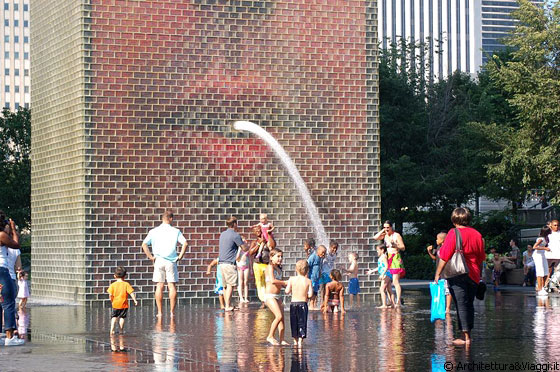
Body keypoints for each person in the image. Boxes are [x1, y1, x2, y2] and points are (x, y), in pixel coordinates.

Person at [434, 207, 485, 346]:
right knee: (469, 304)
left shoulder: (453, 232)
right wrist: (480, 276)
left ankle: (465, 338)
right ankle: (468, 334)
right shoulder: (477, 234)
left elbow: (444, 255)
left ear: (454, 219)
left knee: (461, 304)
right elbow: (481, 257)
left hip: (457, 273)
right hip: (473, 273)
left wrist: (438, 273)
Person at [142, 211, 188, 317]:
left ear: (162, 218)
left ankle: (160, 312)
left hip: (158, 260)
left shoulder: (154, 231)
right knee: (171, 286)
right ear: (171, 219)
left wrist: (150, 257)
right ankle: (172, 312)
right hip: (171, 261)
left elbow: (144, 244)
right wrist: (180, 256)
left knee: (159, 285)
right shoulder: (176, 231)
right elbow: (185, 243)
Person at [0, 213, 24, 346]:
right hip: (2, 272)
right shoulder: (1, 235)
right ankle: (10, 337)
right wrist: (14, 229)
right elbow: (16, 245)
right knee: (8, 303)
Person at [218, 216, 247, 312]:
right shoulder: (235, 235)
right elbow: (244, 248)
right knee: (231, 285)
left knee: (225, 286)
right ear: (234, 224)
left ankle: (228, 305)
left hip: (221, 263)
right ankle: (227, 306)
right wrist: (245, 243)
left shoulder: (222, 234)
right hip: (230, 264)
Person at [374, 221, 405, 307]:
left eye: (388, 227)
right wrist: (382, 230)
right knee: (387, 283)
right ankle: (391, 302)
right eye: (385, 227)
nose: (386, 229)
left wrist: (395, 245)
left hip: (395, 258)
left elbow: (403, 247)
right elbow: (375, 237)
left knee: (395, 281)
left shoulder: (396, 235)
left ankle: (398, 301)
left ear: (391, 227)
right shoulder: (385, 236)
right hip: (389, 259)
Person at [285, 259, 313, 348]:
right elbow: (310, 294)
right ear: (307, 270)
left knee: (294, 322)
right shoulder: (308, 281)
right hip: (303, 304)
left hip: (293, 304)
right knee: (302, 322)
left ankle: (295, 341)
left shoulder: (292, 279)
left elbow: (287, 291)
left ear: (295, 269)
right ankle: (301, 340)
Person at [264, 248, 288, 346]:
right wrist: (284, 282)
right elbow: (273, 281)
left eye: (281, 256)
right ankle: (270, 336)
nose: (280, 258)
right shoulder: (270, 267)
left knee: (282, 319)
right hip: (270, 296)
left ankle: (282, 339)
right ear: (271, 257)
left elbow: (280, 284)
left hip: (278, 296)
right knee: (278, 316)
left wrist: (289, 285)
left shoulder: (279, 268)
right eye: (278, 256)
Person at [107, 266, 138, 334]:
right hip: (124, 304)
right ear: (125, 276)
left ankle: (111, 330)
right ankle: (121, 330)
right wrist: (135, 300)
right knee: (122, 317)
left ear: (114, 276)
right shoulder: (126, 284)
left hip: (115, 304)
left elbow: (110, 295)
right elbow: (131, 293)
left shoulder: (113, 285)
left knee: (114, 317)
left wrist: (112, 300)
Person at [427, 232, 452, 313]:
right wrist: (429, 252)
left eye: (437, 239)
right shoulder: (438, 247)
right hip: (439, 272)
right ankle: (440, 306)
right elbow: (435, 258)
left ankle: (447, 308)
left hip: (446, 272)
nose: (436, 240)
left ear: (442, 240)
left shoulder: (447, 248)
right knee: (440, 290)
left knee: (447, 290)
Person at [368, 244, 394, 308]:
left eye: (378, 250)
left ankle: (384, 304)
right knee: (389, 289)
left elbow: (386, 266)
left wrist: (383, 274)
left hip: (386, 274)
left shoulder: (383, 257)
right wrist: (372, 271)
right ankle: (392, 304)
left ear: (382, 250)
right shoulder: (381, 257)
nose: (377, 252)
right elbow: (380, 267)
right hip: (387, 274)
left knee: (382, 289)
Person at [249, 226, 269, 308]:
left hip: (267, 264)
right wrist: (258, 244)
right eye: (256, 230)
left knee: (267, 282)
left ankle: (269, 299)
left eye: (259, 230)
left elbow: (273, 247)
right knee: (259, 283)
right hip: (257, 264)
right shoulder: (254, 242)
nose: (258, 231)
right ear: (254, 232)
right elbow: (250, 253)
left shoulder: (267, 241)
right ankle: (263, 301)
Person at [319, 240, 338, 306]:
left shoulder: (335, 254)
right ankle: (322, 304)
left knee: (330, 289)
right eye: (333, 248)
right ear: (330, 247)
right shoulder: (326, 254)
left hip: (330, 274)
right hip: (323, 273)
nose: (335, 249)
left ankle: (329, 303)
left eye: (336, 248)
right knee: (323, 289)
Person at [533, 226, 551, 296]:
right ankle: (540, 288)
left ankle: (543, 287)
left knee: (546, 271)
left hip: (543, 255)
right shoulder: (540, 239)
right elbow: (535, 247)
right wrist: (545, 248)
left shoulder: (546, 238)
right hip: (538, 255)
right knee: (540, 272)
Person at [307, 245, 326, 309]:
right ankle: (307, 305)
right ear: (318, 250)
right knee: (310, 292)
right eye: (322, 252)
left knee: (315, 292)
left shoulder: (320, 258)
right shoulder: (313, 257)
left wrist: (320, 274)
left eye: (324, 253)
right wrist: (306, 276)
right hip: (311, 278)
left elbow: (319, 267)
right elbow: (307, 265)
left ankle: (312, 305)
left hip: (316, 279)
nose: (323, 254)